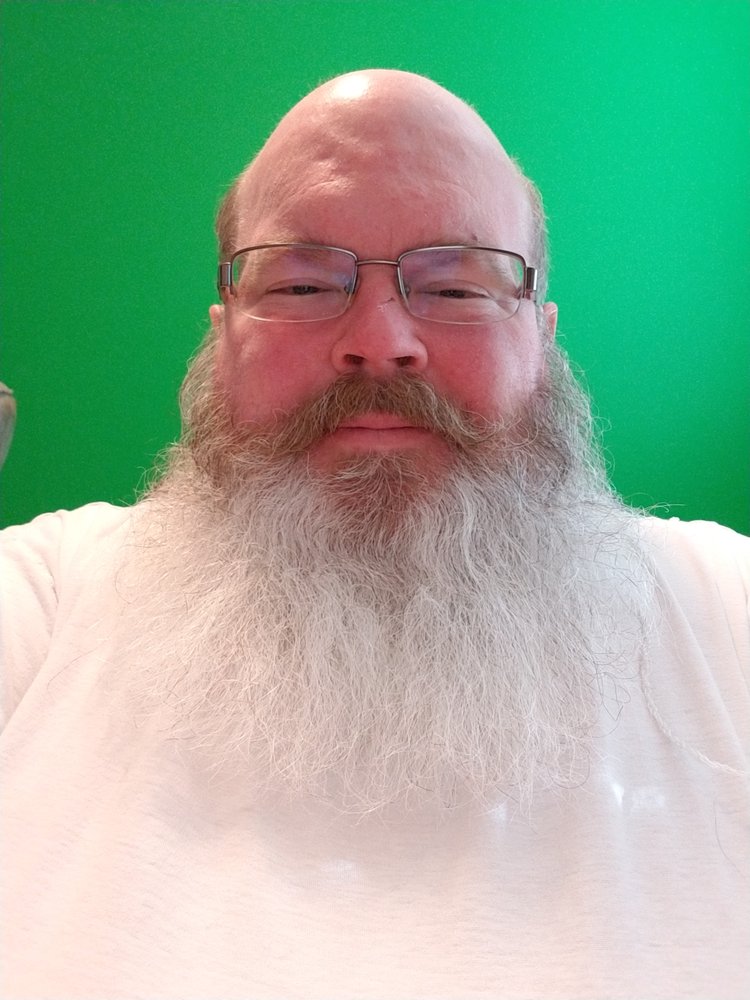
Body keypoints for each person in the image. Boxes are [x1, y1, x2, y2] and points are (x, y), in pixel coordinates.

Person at [1, 69, 747, 1000]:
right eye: (304, 282)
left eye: (458, 285)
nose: (382, 339)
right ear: (224, 335)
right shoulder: (47, 604)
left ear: (542, 336)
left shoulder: (725, 612)